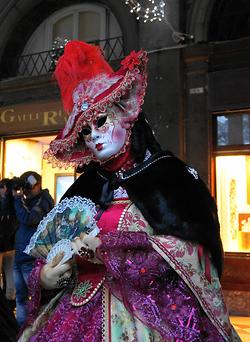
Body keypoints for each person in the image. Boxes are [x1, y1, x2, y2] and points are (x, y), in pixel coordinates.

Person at [19, 41, 240, 341]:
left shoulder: (171, 178)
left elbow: (195, 254)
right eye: (85, 131)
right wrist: (44, 277)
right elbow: (57, 259)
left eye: (100, 121)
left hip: (150, 317)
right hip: (75, 316)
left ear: (126, 114)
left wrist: (110, 251)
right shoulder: (84, 190)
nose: (94, 135)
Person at [12, 171, 54, 328]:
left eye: (29, 187)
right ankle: (22, 330)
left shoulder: (43, 201)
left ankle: (37, 330)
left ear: (38, 185)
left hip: (31, 258)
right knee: (20, 297)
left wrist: (17, 200)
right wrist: (12, 195)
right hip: (20, 256)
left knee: (36, 297)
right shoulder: (27, 201)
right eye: (25, 188)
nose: (26, 191)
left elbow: (28, 219)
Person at [0, 178, 18, 308]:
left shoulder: (9, 205)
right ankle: (10, 302)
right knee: (10, 273)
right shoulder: (15, 204)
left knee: (10, 274)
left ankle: (8, 304)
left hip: (8, 246)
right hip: (11, 245)